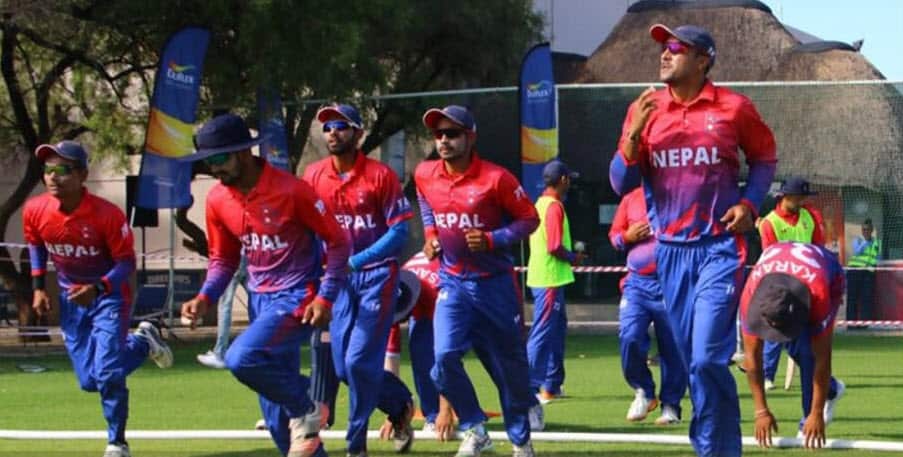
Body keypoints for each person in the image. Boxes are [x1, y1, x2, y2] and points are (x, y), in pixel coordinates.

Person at [609, 24, 777, 457]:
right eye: (663, 49)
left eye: (676, 49)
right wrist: (635, 133)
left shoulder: (733, 107)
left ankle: (717, 450)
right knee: (690, 362)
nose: (665, 55)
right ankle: (710, 444)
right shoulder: (644, 109)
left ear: (703, 60)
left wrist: (751, 203)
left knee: (706, 358)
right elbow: (618, 182)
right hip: (670, 252)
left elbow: (763, 157)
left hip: (719, 248)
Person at [179, 113, 350, 457]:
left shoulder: (293, 190)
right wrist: (205, 296)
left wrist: (327, 297)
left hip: (299, 297)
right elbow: (224, 259)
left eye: (218, 159)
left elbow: (338, 242)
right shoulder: (217, 200)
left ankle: (309, 405)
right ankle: (305, 415)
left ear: (243, 153)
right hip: (261, 303)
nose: (213, 169)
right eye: (207, 162)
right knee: (278, 427)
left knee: (242, 357)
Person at [24, 140, 173, 457]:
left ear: (82, 175)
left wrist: (99, 288)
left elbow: (126, 263)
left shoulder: (106, 215)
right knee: (90, 382)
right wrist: (38, 287)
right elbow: (35, 244)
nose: (53, 177)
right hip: (70, 300)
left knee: (106, 373)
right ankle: (144, 342)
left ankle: (117, 442)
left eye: (62, 170)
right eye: (48, 170)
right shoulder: (36, 210)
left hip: (110, 296)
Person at [415, 105, 541, 457]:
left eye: (452, 134)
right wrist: (429, 234)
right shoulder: (426, 174)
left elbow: (529, 220)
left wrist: (492, 238)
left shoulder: (496, 178)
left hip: (495, 284)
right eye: (438, 134)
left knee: (511, 368)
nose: (443, 140)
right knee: (442, 360)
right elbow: (425, 202)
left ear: (470, 137)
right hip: (453, 284)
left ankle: (521, 442)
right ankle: (475, 427)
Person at [303, 103, 415, 457]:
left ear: (358, 133)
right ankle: (399, 404)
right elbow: (307, 228)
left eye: (341, 125)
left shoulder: (380, 176)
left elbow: (400, 232)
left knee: (357, 363)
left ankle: (356, 446)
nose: (332, 132)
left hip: (377, 277)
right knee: (342, 367)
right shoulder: (314, 175)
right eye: (327, 126)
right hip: (336, 281)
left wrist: (358, 261)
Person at [739, 242, 847, 449]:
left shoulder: (819, 294)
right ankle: (831, 390)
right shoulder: (750, 295)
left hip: (829, 275)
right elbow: (752, 359)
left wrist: (816, 414)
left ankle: (809, 414)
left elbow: (823, 359)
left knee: (809, 355)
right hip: (781, 266)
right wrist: (761, 410)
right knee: (795, 345)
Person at [609, 187, 687, 425]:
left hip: (671, 283)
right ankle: (643, 390)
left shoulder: (681, 193)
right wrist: (627, 237)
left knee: (673, 347)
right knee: (630, 336)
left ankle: (671, 405)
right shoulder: (631, 198)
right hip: (636, 284)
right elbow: (614, 236)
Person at [757, 176, 825, 390]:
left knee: (810, 336)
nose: (802, 201)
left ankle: (819, 378)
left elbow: (818, 248)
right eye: (799, 197)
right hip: (781, 285)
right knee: (775, 331)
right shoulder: (770, 223)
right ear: (786, 197)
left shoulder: (809, 216)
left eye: (804, 197)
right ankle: (768, 375)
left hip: (809, 284)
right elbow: (771, 256)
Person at [525, 160, 583, 404]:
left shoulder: (540, 203)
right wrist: (574, 257)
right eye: (568, 178)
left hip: (549, 278)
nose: (570, 182)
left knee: (556, 331)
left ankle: (551, 385)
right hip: (548, 278)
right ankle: (529, 387)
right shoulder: (554, 207)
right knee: (543, 332)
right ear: (563, 180)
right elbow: (554, 246)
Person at [382, 253, 457, 441]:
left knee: (436, 352)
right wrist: (393, 409)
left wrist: (445, 409)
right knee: (419, 348)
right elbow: (391, 355)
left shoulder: (436, 293)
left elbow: (446, 356)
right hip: (422, 300)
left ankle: (526, 406)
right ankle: (431, 416)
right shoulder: (392, 296)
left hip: (456, 295)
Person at [196, 253, 248, 369]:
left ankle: (220, 353)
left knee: (225, 306)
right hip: (248, 258)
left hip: (233, 259)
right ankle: (266, 349)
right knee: (257, 304)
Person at [846, 218, 880, 323]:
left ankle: (865, 324)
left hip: (868, 273)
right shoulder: (858, 240)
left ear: (872, 230)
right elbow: (857, 251)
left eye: (868, 229)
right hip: (855, 271)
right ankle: (851, 324)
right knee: (852, 298)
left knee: (867, 298)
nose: (865, 232)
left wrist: (875, 266)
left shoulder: (877, 242)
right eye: (863, 229)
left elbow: (878, 257)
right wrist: (865, 242)